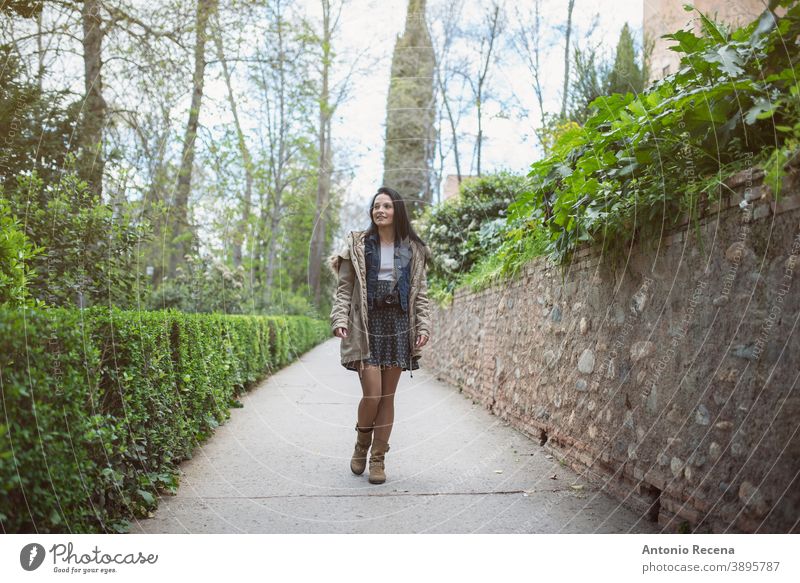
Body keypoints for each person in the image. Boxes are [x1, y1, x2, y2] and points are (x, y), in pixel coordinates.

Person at [328, 186, 432, 484]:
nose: (380, 211)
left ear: (397, 210)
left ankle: (378, 458)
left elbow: (420, 294)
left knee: (388, 396)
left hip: (398, 325)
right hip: (367, 325)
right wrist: (339, 318)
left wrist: (422, 326)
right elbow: (345, 288)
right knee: (372, 394)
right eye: (376, 206)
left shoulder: (413, 248)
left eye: (386, 206)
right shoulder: (358, 245)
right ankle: (362, 445)